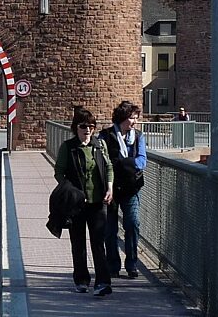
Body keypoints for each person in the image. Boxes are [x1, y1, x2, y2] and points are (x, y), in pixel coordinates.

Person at [54, 106, 115, 297]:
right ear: (75, 128)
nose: (87, 129)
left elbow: (109, 166)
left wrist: (110, 187)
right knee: (78, 242)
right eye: (83, 126)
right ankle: (81, 280)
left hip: (97, 202)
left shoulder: (99, 145)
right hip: (77, 203)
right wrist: (69, 190)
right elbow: (59, 171)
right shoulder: (68, 147)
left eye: (91, 126)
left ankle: (103, 283)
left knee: (98, 242)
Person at [100, 101, 147, 279]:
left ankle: (132, 264)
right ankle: (113, 265)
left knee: (133, 224)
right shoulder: (106, 136)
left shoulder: (138, 137)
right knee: (110, 229)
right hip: (111, 189)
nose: (135, 122)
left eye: (136, 118)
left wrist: (122, 163)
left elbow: (142, 161)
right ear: (122, 118)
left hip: (131, 188)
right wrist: (125, 165)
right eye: (132, 118)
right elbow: (103, 161)